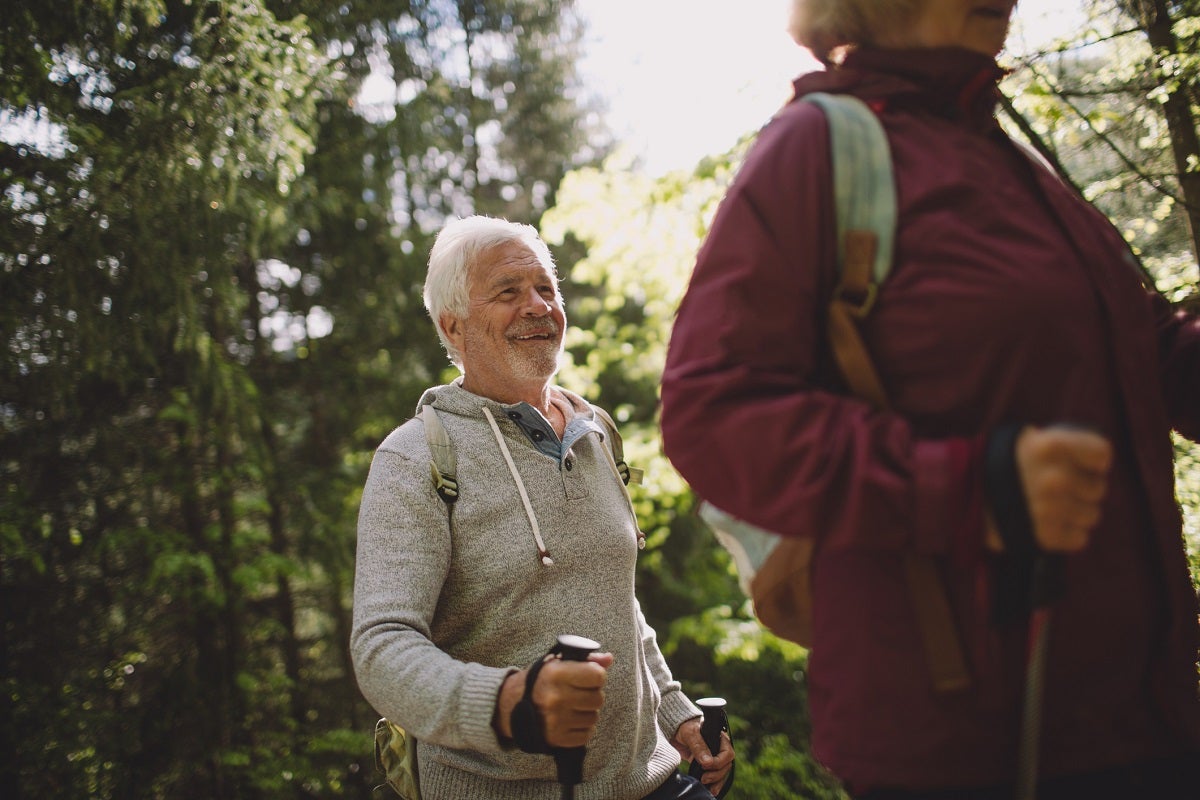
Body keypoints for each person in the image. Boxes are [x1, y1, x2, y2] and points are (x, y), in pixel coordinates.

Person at [659, 1, 1200, 798]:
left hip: (1145, 714)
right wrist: (968, 488)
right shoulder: (815, 146)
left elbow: (1153, 354)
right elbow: (711, 409)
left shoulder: (1011, 164)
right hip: (964, 742)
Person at [351, 215, 733, 800]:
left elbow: (614, 597)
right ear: (453, 327)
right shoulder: (415, 459)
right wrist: (510, 703)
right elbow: (381, 647)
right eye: (509, 292)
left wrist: (673, 711)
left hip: (648, 782)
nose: (538, 306)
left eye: (546, 289)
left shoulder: (595, 431)